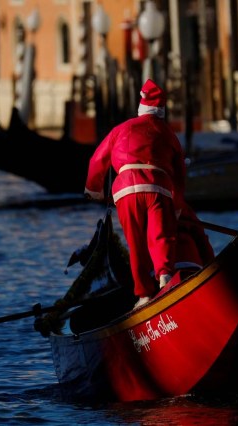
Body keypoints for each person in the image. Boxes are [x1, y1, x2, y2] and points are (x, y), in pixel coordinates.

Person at [84, 79, 186, 309]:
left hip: (125, 189)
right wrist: (177, 206)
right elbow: (180, 173)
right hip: (157, 186)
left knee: (136, 243)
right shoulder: (167, 132)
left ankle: (144, 296)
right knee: (161, 235)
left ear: (141, 108)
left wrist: (93, 191)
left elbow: (97, 160)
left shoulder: (121, 129)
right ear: (161, 111)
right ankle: (165, 277)